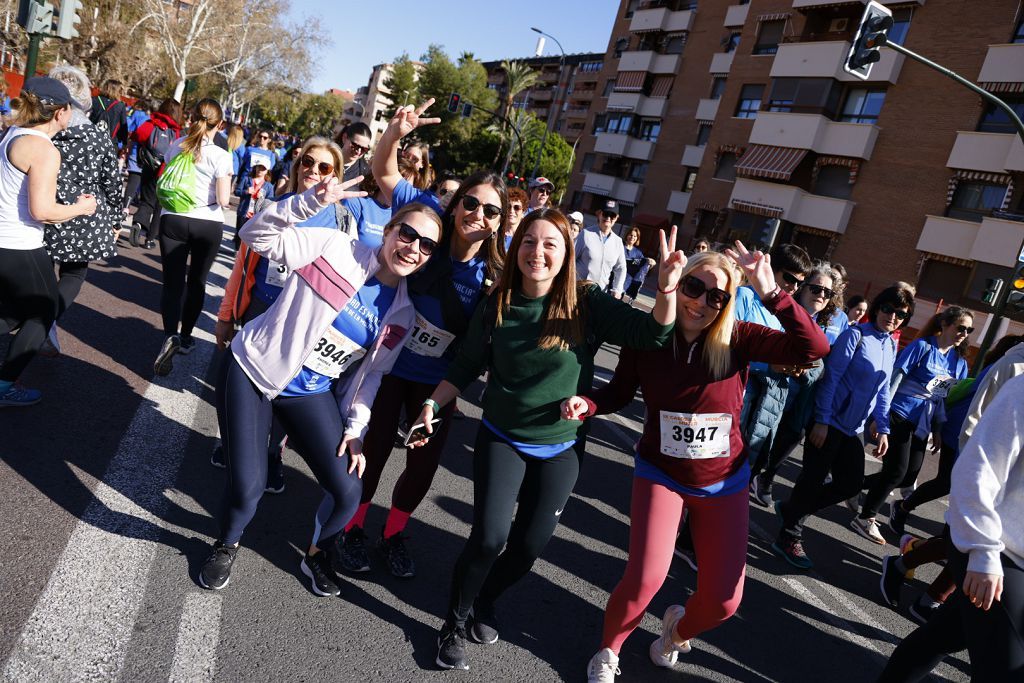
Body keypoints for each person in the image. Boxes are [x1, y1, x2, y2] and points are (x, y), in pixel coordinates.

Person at [411, 211, 688, 671]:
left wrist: (667, 288)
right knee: (488, 539)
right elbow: (463, 367)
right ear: (517, 246)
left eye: (550, 245)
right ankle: (453, 623)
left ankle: (487, 599)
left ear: (567, 255)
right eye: (529, 242)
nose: (537, 253)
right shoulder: (497, 302)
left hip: (561, 446)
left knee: (527, 548)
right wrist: (431, 407)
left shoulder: (587, 302)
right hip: (503, 436)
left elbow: (653, 333)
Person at [580, 245, 830, 682]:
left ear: (728, 304)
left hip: (724, 483)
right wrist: (588, 403)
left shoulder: (739, 338)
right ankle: (609, 650)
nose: (701, 302)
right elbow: (619, 392)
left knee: (723, 602)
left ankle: (675, 631)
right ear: (678, 283)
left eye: (717, 297)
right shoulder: (649, 337)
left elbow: (814, 348)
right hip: (661, 474)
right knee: (644, 579)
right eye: (694, 287)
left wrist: (772, 292)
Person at [198, 172, 442, 597]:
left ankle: (317, 555)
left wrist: (354, 430)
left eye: (427, 246)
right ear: (388, 232)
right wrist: (307, 202)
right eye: (407, 234)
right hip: (254, 369)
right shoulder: (335, 246)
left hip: (307, 393)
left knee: (349, 488)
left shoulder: (402, 313)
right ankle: (226, 543)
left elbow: (373, 376)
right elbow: (255, 234)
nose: (413, 248)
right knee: (249, 488)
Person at [341, 101, 505, 580]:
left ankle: (393, 533)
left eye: (490, 210)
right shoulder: (426, 217)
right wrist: (394, 132)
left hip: (437, 382)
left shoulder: (495, 270)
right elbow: (383, 168)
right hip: (391, 364)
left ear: (498, 221)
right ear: (456, 205)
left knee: (422, 462)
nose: (477, 214)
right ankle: (352, 524)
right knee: (371, 452)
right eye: (471, 203)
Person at [212, 136, 353, 487]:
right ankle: (231, 442)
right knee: (245, 382)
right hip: (260, 307)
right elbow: (242, 267)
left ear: (335, 175)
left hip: (303, 319)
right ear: (296, 163)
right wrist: (226, 315)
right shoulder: (275, 206)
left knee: (283, 391)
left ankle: (273, 453)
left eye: (324, 167)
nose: (313, 171)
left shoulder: (342, 222)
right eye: (307, 162)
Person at [878, 374, 1024, 683]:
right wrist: (983, 553)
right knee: (1005, 673)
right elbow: (977, 468)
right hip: (999, 550)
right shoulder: (1021, 387)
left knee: (942, 636)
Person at [772, 284, 915, 568]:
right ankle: (790, 535)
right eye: (888, 309)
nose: (893, 316)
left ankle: (792, 510)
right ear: (877, 308)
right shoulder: (856, 335)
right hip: (829, 421)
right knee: (812, 479)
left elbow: (884, 389)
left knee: (849, 484)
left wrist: (883, 427)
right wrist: (822, 420)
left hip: (854, 429)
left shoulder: (890, 343)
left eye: (901, 314)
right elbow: (832, 378)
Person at [0, 77, 97, 406]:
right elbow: (41, 209)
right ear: (62, 112)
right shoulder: (43, 148)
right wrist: (80, 208)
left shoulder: (12, 134)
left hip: (7, 242)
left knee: (13, 314)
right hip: (20, 244)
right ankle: (4, 386)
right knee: (44, 313)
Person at [852, 306, 972, 544]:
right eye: (961, 327)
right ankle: (865, 517)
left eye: (969, 330)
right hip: (900, 413)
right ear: (945, 324)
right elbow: (894, 381)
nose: (964, 333)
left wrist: (937, 429)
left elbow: (941, 399)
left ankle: (852, 485)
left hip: (922, 422)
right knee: (896, 470)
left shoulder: (958, 361)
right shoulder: (922, 347)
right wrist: (881, 416)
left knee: (907, 476)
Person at [42, 66, 123, 353]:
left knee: (42, 271)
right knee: (74, 274)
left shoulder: (43, 132)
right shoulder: (98, 136)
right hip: (83, 215)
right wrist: (115, 219)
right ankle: (45, 323)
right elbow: (111, 182)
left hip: (43, 206)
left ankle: (41, 323)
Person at [749, 262, 843, 507]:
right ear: (802, 289)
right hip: (761, 399)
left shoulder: (825, 326)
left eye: (827, 293)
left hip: (796, 405)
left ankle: (763, 479)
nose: (821, 295)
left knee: (781, 446)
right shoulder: (778, 314)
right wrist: (777, 365)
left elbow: (824, 368)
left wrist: (810, 370)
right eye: (816, 289)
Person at [151, 98, 233, 376]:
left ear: (192, 118)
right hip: (207, 223)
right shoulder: (222, 155)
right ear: (219, 125)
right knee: (197, 282)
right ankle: (186, 338)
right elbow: (223, 199)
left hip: (172, 218)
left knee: (171, 285)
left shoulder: (177, 145)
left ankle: (169, 336)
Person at [129, 98, 183, 249]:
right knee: (160, 206)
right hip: (166, 171)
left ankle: (139, 222)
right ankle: (150, 240)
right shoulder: (177, 132)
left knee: (147, 200)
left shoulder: (152, 123)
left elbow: (137, 135)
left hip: (149, 167)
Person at [575, 199, 627, 299]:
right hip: (578, 291)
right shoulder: (585, 234)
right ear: (599, 214)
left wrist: (617, 289)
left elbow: (621, 268)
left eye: (612, 215)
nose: (608, 218)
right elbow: (570, 259)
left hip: (600, 294)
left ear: (616, 218)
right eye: (605, 214)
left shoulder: (618, 242)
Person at [233, 149, 275, 248]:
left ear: (267, 171)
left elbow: (270, 202)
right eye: (259, 167)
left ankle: (245, 255)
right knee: (239, 234)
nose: (260, 170)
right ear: (255, 167)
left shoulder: (268, 186)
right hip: (244, 212)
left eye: (263, 169)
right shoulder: (247, 179)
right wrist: (246, 192)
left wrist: (262, 199)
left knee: (250, 238)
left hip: (256, 215)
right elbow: (236, 191)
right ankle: (237, 252)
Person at [124, 98, 152, 210]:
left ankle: (125, 207)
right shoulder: (149, 119)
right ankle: (136, 199)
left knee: (132, 181)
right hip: (146, 154)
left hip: (135, 151)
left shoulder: (136, 114)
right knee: (140, 181)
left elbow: (128, 125)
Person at [89, 79, 128, 152]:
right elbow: (123, 126)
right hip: (110, 143)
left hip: (92, 138)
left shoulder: (94, 100)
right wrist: (125, 143)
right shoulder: (120, 106)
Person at [622, 226, 655, 303]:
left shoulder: (638, 253)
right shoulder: (620, 247)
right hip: (615, 277)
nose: (632, 237)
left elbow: (641, 267)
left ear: (637, 238)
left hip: (628, 280)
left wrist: (649, 262)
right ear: (627, 235)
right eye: (631, 235)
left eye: (635, 236)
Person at [501, 187, 527, 251]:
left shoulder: (524, 238)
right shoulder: (495, 233)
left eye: (517, 208)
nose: (511, 211)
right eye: (508, 206)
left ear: (523, 212)